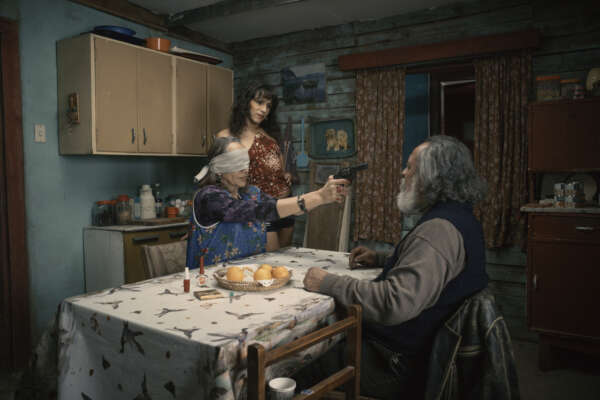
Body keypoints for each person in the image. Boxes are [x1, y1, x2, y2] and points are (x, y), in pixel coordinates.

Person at [299, 135, 489, 399]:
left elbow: (394, 302)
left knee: (296, 363)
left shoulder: (437, 231)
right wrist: (381, 259)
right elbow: (434, 270)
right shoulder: (460, 217)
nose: (403, 172)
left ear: (433, 177)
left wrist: (327, 282)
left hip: (394, 364)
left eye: (410, 167)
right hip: (414, 351)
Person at [186, 136, 348, 268]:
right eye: (236, 163)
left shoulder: (252, 193)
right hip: (207, 283)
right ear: (218, 168)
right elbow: (258, 210)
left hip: (247, 278)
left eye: (245, 161)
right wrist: (319, 196)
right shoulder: (209, 197)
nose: (245, 169)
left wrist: (323, 198)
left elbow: (284, 209)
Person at [216, 82, 294, 251]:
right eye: (259, 102)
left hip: (286, 206)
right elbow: (215, 178)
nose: (264, 109)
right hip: (259, 209)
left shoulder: (270, 135)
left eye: (268, 106)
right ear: (246, 103)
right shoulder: (226, 136)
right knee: (270, 261)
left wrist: (285, 175)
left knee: (286, 261)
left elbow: (279, 167)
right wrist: (201, 220)